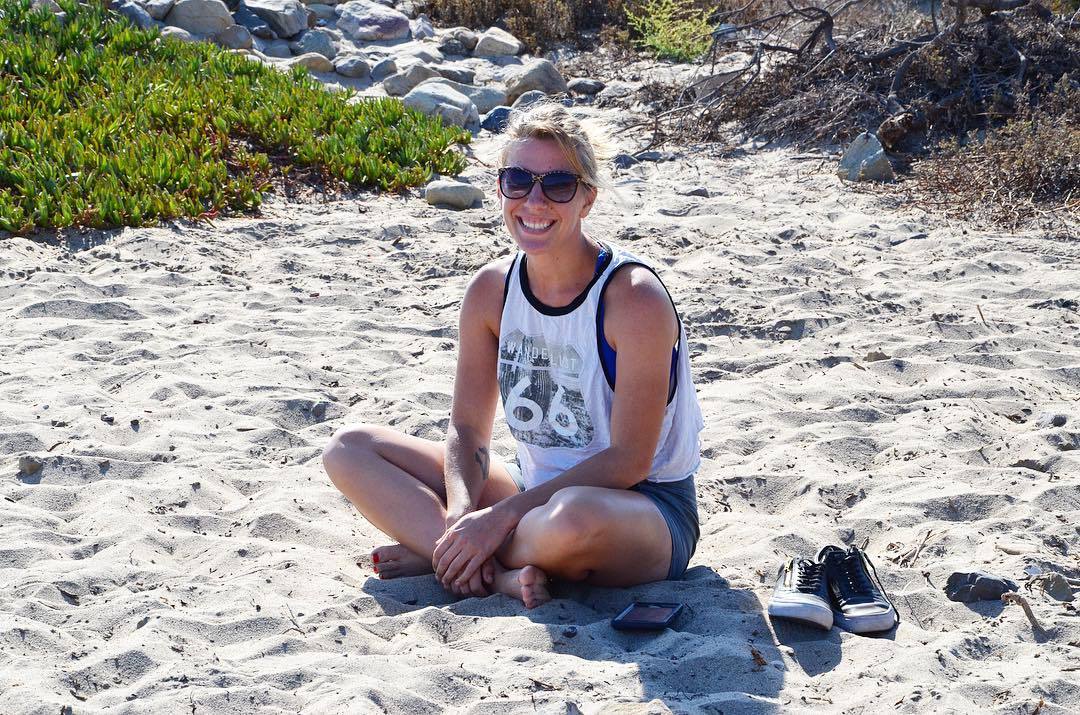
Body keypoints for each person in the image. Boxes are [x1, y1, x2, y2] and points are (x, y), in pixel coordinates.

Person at [322, 103, 703, 609]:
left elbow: (629, 461)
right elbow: (467, 430)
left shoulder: (633, 298)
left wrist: (497, 520)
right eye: (518, 181)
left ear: (587, 199)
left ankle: (442, 553)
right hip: (530, 491)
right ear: (501, 189)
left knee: (572, 516)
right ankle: (482, 565)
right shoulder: (491, 290)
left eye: (559, 185)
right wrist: (462, 514)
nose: (534, 201)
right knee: (349, 448)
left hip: (641, 510)